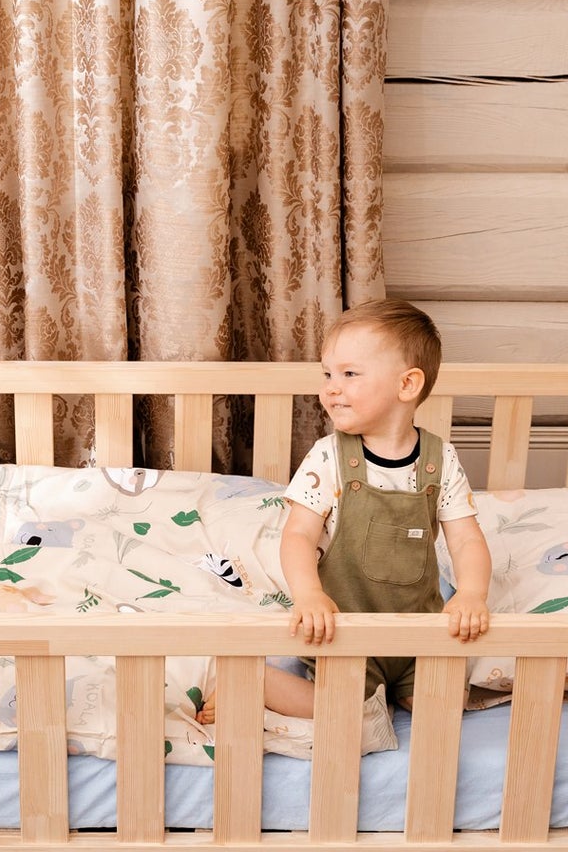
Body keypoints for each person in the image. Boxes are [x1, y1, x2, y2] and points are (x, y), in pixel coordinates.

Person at [198, 299, 492, 722]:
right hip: (345, 630)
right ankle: (256, 682)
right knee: (347, 712)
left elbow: (466, 538)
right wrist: (309, 595)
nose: (331, 387)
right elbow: (298, 534)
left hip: (416, 633)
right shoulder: (329, 457)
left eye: (349, 374)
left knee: (445, 709)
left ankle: (399, 688)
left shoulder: (439, 460)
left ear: (407, 385)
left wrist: (470, 594)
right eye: (328, 374)